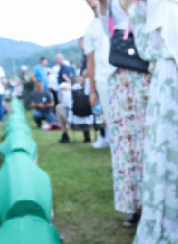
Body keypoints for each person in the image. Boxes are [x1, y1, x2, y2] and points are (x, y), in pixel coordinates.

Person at [121, 0, 178, 244]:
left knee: (166, 155)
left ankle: (164, 227)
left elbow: (145, 50)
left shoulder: (151, 8)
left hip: (169, 83)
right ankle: (174, 225)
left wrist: (132, 11)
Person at [100, 0, 151, 228]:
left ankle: (150, 204)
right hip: (119, 81)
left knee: (145, 143)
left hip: (143, 78)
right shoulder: (108, 5)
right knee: (124, 146)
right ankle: (134, 206)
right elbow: (107, 32)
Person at [83, 0, 112, 149]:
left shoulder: (116, 15)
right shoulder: (90, 29)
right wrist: (92, 91)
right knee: (110, 118)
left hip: (123, 71)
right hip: (103, 78)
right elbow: (90, 62)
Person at [56, 78, 93, 144]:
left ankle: (65, 135)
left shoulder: (68, 93)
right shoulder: (88, 92)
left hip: (74, 123)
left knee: (59, 107)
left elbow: (65, 106)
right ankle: (87, 135)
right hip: (90, 123)